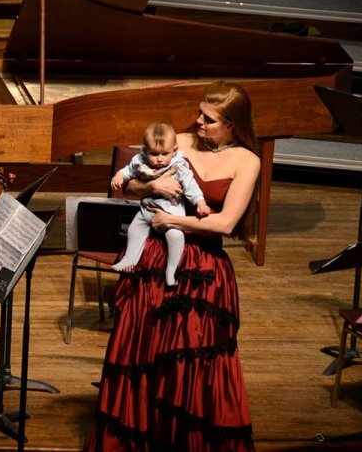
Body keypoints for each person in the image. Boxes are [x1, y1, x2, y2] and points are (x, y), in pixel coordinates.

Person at [87, 81, 260, 451]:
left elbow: (225, 223)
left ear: (232, 124)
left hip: (203, 268)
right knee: (141, 349)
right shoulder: (178, 141)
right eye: (200, 113)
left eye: (209, 119)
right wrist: (153, 189)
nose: (198, 121)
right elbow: (128, 188)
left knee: (190, 358)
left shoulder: (247, 161)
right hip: (155, 256)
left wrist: (174, 221)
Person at [110, 122, 210, 284]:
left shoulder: (178, 165)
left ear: (174, 150)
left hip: (171, 214)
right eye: (154, 154)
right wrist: (119, 176)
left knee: (175, 236)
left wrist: (200, 201)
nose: (159, 159)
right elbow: (128, 170)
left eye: (165, 154)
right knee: (134, 230)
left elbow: (190, 185)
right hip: (146, 211)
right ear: (145, 150)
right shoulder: (140, 161)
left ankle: (171, 269)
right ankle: (129, 259)